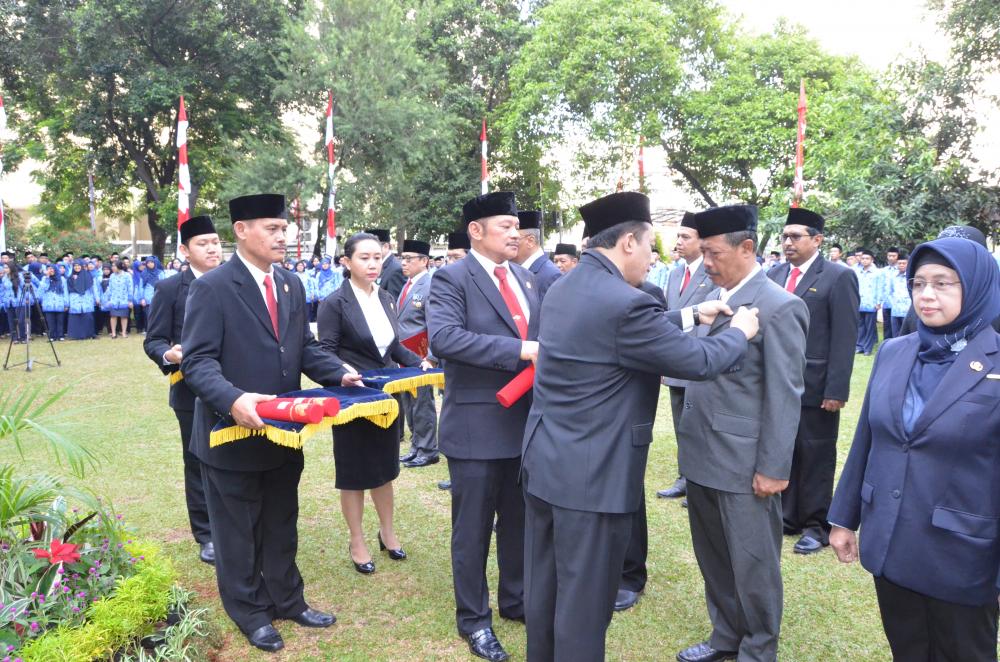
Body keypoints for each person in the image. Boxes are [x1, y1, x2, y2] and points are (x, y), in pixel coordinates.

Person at [521, 192, 757, 662]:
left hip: (546, 463)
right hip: (592, 478)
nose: (653, 258)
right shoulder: (625, 303)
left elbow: (613, 331)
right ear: (628, 242)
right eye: (650, 245)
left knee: (546, 592)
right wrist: (739, 332)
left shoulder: (567, 285)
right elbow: (697, 360)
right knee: (584, 607)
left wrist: (692, 313)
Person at [181, 193, 363, 653]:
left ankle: (287, 599)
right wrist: (234, 399)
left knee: (282, 521)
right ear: (241, 231)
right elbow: (198, 362)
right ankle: (250, 612)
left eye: (284, 228)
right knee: (238, 532)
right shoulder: (213, 288)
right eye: (273, 228)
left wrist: (339, 373)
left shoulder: (289, 283)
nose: (284, 236)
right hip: (230, 434)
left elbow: (302, 348)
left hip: (283, 433)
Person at [828, 237, 1000, 662]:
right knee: (907, 650)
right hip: (892, 544)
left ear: (976, 287)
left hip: (963, 557)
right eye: (919, 283)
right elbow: (868, 440)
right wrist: (843, 517)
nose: (926, 295)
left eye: (943, 283)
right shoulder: (894, 351)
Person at [676, 204, 808, 662]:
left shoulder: (780, 306)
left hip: (744, 460)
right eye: (703, 252)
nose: (706, 262)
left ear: (746, 247)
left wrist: (773, 467)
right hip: (702, 452)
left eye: (713, 253)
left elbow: (785, 394)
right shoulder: (711, 300)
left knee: (753, 563)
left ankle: (757, 648)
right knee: (713, 555)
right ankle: (725, 636)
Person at [428, 191, 540, 662]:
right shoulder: (451, 278)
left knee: (519, 522)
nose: (516, 233)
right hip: (477, 427)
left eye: (517, 226)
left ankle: (516, 599)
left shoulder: (526, 278)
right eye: (505, 226)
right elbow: (445, 338)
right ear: (476, 231)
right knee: (472, 531)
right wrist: (520, 351)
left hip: (526, 424)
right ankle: (474, 620)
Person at [318, 232, 428, 574]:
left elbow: (393, 347)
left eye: (377, 257)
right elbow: (325, 352)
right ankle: (357, 540)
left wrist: (419, 362)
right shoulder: (334, 303)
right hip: (353, 399)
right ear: (346, 262)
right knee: (353, 473)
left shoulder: (386, 297)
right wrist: (343, 373)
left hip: (385, 398)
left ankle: (387, 532)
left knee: (384, 469)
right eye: (364, 258)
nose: (372, 264)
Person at [766, 207, 859, 555]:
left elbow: (845, 336)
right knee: (785, 448)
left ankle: (816, 524)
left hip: (817, 385)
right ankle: (789, 516)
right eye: (784, 236)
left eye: (796, 236)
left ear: (817, 239)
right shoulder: (774, 273)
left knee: (816, 453)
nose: (788, 242)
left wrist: (836, 389)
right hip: (778, 381)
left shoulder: (838, 276)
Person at [144, 215, 222, 566]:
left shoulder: (233, 282)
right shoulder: (170, 288)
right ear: (185, 251)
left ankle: (235, 524)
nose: (212, 249)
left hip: (235, 386)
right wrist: (170, 354)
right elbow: (154, 340)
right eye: (203, 244)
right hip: (190, 390)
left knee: (236, 459)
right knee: (198, 461)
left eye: (215, 242)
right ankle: (206, 534)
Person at [657, 212, 715, 503]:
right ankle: (685, 477)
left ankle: (701, 481)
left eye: (685, 236)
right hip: (674, 359)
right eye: (678, 236)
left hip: (698, 360)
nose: (678, 241)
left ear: (701, 241)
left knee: (700, 426)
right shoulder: (675, 273)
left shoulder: (712, 272)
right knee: (681, 422)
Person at [396, 238, 441, 469]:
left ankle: (428, 449)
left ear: (424, 261)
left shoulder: (430, 284)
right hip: (406, 355)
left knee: (422, 402)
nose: (404, 263)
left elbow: (434, 324)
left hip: (421, 354)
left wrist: (431, 357)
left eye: (409, 259)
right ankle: (416, 444)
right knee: (409, 401)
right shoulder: (408, 284)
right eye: (402, 259)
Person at [514, 210, 561, 300]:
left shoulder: (551, 276)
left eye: (515, 238)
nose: (509, 242)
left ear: (530, 241)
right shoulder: (516, 269)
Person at [366, 228, 406, 300]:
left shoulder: (396, 269)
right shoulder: (376, 264)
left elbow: (393, 301)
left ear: (386, 246)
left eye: (373, 247)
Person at [855, 249, 882, 355]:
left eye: (867, 258)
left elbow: (880, 287)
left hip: (871, 303)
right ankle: (859, 346)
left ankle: (867, 348)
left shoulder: (877, 273)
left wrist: (878, 302)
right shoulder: (858, 272)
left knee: (870, 327)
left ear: (872, 260)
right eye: (863, 258)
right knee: (860, 326)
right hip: (860, 303)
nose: (864, 260)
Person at [38, 264, 69, 342]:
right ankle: (52, 336)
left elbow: (65, 291)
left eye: (52, 268)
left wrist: (66, 304)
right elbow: (43, 289)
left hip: (60, 302)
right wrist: (47, 278)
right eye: (48, 269)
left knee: (60, 321)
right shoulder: (44, 279)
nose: (50, 270)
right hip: (48, 303)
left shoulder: (62, 279)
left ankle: (60, 335)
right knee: (50, 321)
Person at [67, 260, 96, 340]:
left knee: (87, 316)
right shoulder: (70, 277)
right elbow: (69, 288)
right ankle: (76, 335)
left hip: (86, 298)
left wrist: (95, 298)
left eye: (78, 265)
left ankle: (88, 334)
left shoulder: (87, 275)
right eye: (75, 266)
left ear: (81, 266)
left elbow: (91, 288)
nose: (77, 267)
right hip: (75, 299)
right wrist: (75, 280)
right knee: (76, 318)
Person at [105, 260, 133, 338]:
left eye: (114, 266)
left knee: (124, 316)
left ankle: (124, 333)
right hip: (114, 299)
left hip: (124, 299)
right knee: (113, 316)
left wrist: (130, 300)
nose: (112, 268)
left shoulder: (127, 275)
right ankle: (114, 333)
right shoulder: (112, 276)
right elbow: (110, 288)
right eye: (112, 266)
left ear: (119, 266)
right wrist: (108, 299)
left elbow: (130, 288)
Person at [885, 252, 910, 338]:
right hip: (895, 310)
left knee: (906, 334)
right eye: (899, 263)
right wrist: (893, 303)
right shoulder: (893, 276)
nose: (901, 265)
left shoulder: (911, 276)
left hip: (907, 310)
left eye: (904, 263)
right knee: (895, 334)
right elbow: (890, 291)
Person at [881, 247, 900, 341]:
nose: (891, 258)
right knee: (887, 325)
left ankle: (896, 342)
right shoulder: (883, 270)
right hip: (886, 302)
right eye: (889, 256)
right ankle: (887, 342)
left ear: (897, 256)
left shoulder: (901, 269)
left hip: (897, 303)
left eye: (894, 256)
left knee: (896, 326)